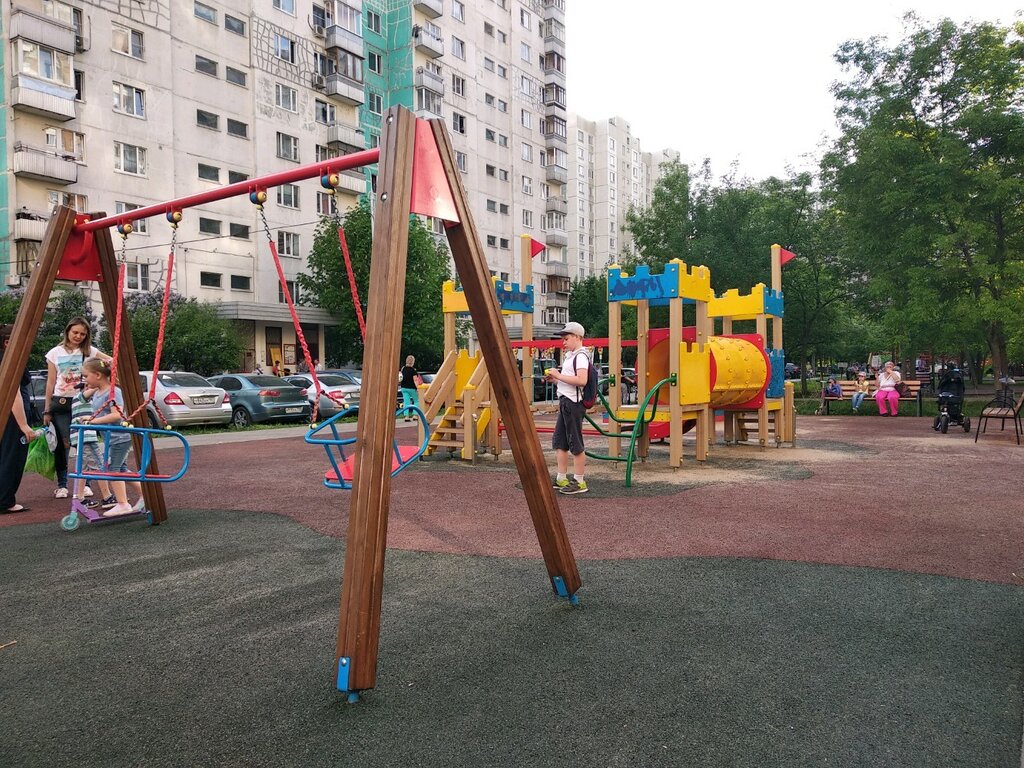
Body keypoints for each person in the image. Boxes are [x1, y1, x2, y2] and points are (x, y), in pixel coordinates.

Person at [43, 317, 110, 498]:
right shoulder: (55, 353)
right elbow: (50, 383)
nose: (78, 336)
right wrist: (47, 409)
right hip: (61, 402)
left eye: (82, 333)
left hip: (82, 402)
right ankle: (63, 484)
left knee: (84, 442)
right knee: (63, 444)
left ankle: (86, 482)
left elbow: (110, 361)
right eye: (75, 332)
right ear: (67, 332)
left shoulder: (89, 351)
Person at [80, 358, 144, 517]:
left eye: (86, 376)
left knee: (110, 468)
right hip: (112, 438)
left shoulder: (113, 392)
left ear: (97, 375)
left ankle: (123, 504)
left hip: (119, 438)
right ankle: (145, 494)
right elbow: (82, 398)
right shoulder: (98, 392)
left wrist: (93, 421)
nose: (85, 379)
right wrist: (88, 419)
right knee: (121, 470)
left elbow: (117, 415)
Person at [547, 321, 589, 495]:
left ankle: (579, 481)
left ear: (578, 337)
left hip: (573, 403)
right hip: (566, 401)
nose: (563, 342)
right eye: (563, 339)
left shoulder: (580, 356)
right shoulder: (571, 356)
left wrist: (558, 375)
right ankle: (561, 477)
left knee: (575, 442)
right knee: (561, 441)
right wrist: (556, 380)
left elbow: (582, 380)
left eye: (567, 338)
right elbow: (570, 381)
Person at [0, 324, 38, 513]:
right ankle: (5, 501)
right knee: (12, 457)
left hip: (6, 415)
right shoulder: (10, 361)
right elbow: (13, 392)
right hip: (12, 417)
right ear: (8, 343)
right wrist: (24, 425)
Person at [69, 385, 113, 509]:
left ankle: (79, 497)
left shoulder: (89, 401)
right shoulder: (80, 397)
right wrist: (100, 385)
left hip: (81, 437)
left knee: (83, 469)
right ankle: (107, 496)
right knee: (99, 466)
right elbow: (86, 394)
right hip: (86, 438)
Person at [399, 355, 420, 422]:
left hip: (404, 387)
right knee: (417, 400)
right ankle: (415, 415)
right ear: (413, 362)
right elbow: (415, 380)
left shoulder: (403, 369)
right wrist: (418, 388)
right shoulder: (413, 370)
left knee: (406, 402)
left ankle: (406, 416)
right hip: (412, 388)